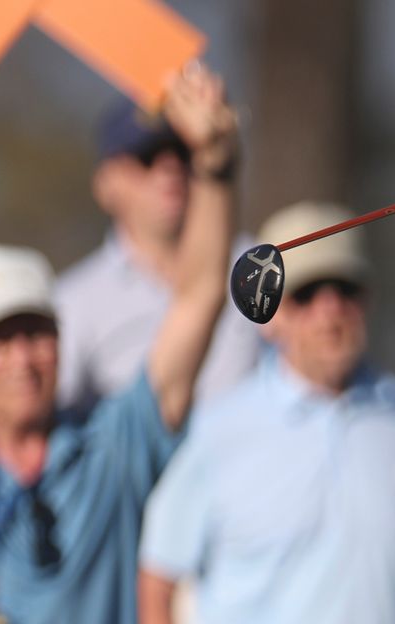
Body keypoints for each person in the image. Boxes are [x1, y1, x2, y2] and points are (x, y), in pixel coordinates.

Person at [136, 201, 395, 624]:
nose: (330, 310)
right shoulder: (219, 427)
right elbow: (156, 584)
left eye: (346, 290)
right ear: (271, 315)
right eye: (307, 294)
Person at [0, 66, 238, 624]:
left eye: (37, 336)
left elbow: (199, 297)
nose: (24, 359)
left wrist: (213, 163)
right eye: (2, 341)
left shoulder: (109, 455)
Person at [53, 94, 263, 414]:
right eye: (146, 156)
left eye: (184, 151)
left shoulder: (257, 264)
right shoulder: (71, 303)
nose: (171, 167)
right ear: (105, 184)